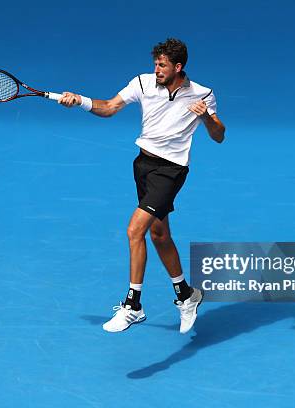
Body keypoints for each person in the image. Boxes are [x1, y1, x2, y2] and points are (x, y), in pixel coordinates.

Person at [58, 38, 225, 334]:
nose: (156, 69)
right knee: (159, 234)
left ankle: (133, 305)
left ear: (178, 66)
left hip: (171, 170)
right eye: (155, 64)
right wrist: (80, 101)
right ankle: (186, 295)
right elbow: (109, 107)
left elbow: (219, 135)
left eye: (161, 65)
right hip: (143, 166)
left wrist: (206, 118)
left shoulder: (202, 94)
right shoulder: (143, 83)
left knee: (135, 230)